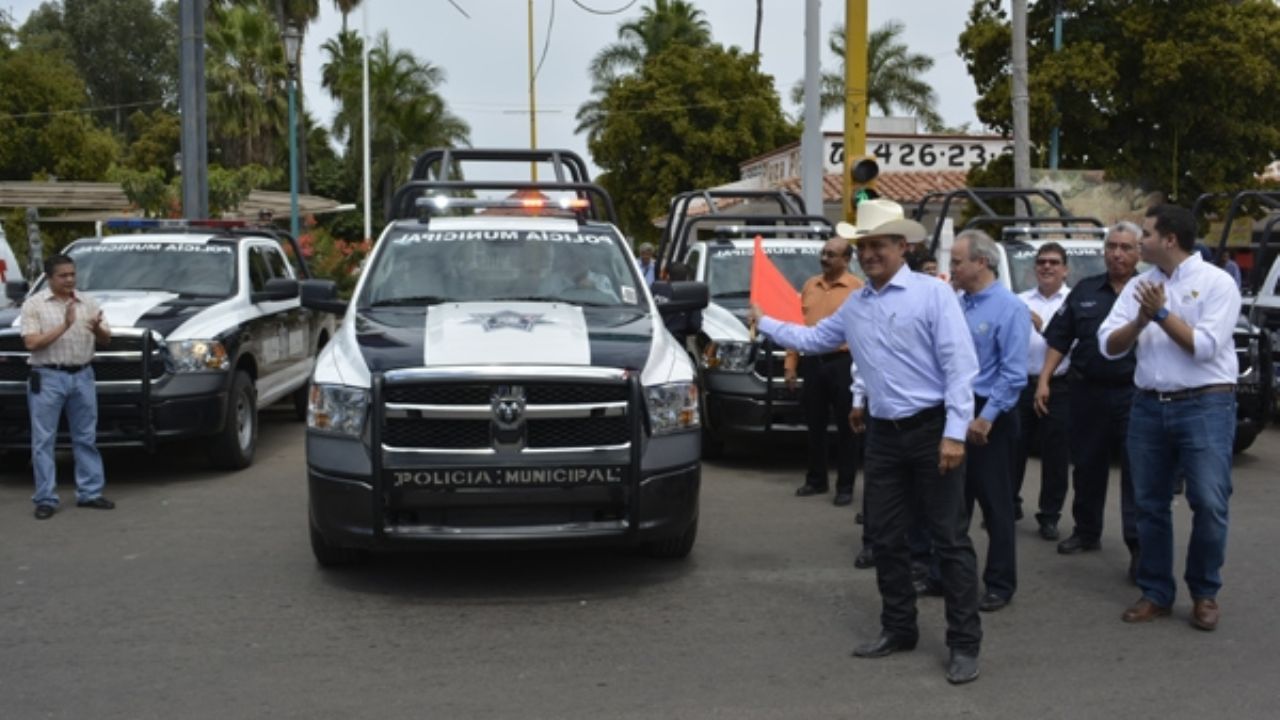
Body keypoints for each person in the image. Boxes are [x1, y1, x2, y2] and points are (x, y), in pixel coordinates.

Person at [748, 213, 984, 685]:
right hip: (882, 435)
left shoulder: (933, 294)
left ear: (902, 247)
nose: (870, 254)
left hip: (932, 429)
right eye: (864, 247)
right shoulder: (856, 304)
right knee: (886, 538)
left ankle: (964, 643)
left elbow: (960, 365)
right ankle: (898, 628)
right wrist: (766, 322)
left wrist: (955, 433)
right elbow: (815, 338)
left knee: (949, 540)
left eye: (880, 245)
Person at [1099, 204, 1240, 631]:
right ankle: (1157, 592)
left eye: (1146, 234)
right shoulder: (1140, 285)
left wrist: (1160, 314)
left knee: (1210, 502)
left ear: (1170, 239)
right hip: (1148, 405)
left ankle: (1205, 592)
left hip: (1206, 405)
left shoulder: (1217, 282)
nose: (1139, 241)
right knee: (1149, 505)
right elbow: (1108, 345)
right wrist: (1141, 320)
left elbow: (1204, 347)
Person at [1037, 222, 1142, 579]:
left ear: (1138, 253)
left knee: (1136, 472)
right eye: (1112, 246)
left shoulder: (1150, 291)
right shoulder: (1085, 290)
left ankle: (1138, 546)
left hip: (1133, 394)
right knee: (1086, 464)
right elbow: (1060, 338)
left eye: (1126, 247)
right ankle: (1086, 531)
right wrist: (1044, 379)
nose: (1117, 254)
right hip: (1087, 391)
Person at [949, 230, 1029, 613]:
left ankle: (1000, 583)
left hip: (990, 414)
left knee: (996, 504)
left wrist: (986, 418)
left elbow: (1013, 374)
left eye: (957, 261)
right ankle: (948, 575)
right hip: (958, 408)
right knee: (953, 500)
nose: (952, 268)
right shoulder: (957, 304)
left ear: (981, 262)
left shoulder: (1009, 308)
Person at [20, 254, 114, 520]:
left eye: (72, 274)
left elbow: (106, 340)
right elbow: (31, 343)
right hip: (48, 376)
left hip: (82, 375)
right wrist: (65, 325)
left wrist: (98, 330)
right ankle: (46, 498)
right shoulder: (34, 305)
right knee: (44, 441)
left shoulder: (88, 302)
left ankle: (90, 492)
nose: (69, 280)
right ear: (49, 278)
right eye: (63, 276)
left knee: (86, 437)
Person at [785, 235, 864, 510]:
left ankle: (845, 486)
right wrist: (791, 364)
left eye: (831, 254)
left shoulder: (858, 289)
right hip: (813, 362)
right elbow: (798, 326)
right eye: (824, 253)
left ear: (846, 259)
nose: (824, 258)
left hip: (844, 363)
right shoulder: (810, 285)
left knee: (847, 427)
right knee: (814, 424)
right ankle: (816, 479)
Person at [1014, 243, 1071, 541]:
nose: (1047, 267)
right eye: (1041, 262)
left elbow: (1071, 344)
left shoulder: (1072, 302)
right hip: (1021, 384)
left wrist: (1043, 326)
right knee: (1013, 449)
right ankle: (1008, 505)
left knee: (1055, 456)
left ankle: (1049, 515)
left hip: (1059, 386)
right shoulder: (1019, 301)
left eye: (1054, 262)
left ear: (1065, 269)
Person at [651, 261, 702, 346]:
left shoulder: (655, 288)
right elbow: (695, 326)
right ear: (687, 278)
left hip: (653, 339)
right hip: (677, 342)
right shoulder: (692, 295)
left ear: (668, 276)